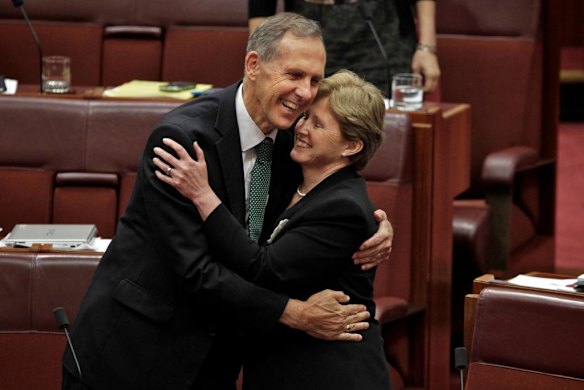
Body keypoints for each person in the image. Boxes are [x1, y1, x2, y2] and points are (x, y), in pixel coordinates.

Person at [61, 13, 393, 390]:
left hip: (215, 361)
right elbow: (195, 270)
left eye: (314, 80)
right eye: (294, 75)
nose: (304, 92)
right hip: (134, 354)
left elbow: (331, 195)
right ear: (254, 65)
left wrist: (377, 224)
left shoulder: (292, 143)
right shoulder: (182, 140)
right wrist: (294, 313)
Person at [153, 69, 391, 390]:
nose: (302, 129)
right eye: (305, 117)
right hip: (283, 364)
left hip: (329, 371)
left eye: (318, 124)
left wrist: (202, 194)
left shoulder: (343, 206)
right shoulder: (294, 174)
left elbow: (263, 268)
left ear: (351, 146)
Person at [248, 0, 441, 96]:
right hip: (309, 39)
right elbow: (261, 8)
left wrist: (427, 48)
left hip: (380, 34)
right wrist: (260, 62)